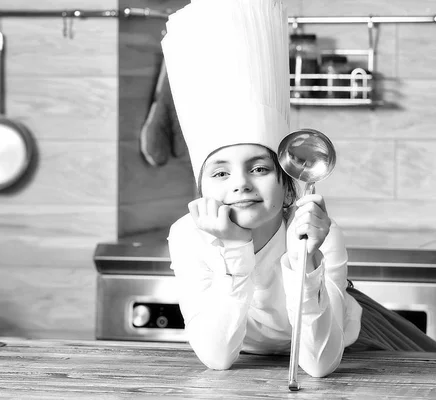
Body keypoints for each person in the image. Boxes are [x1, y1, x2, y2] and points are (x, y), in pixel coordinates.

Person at [162, 0, 436, 378]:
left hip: (357, 344)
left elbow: (320, 363)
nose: (241, 183)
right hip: (253, 361)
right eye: (221, 174)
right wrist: (237, 249)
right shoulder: (187, 236)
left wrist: (304, 260)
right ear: (202, 189)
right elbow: (218, 358)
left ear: (288, 186)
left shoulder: (316, 230)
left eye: (259, 168)